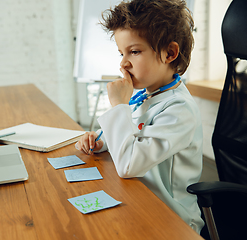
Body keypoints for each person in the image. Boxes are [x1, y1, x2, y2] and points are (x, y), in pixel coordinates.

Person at [76, 0, 204, 233]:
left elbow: (128, 164)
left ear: (169, 53)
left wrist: (118, 105)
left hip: (172, 218)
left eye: (134, 51)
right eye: (121, 53)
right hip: (138, 196)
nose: (123, 63)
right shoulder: (147, 96)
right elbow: (135, 139)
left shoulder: (179, 110)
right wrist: (102, 142)